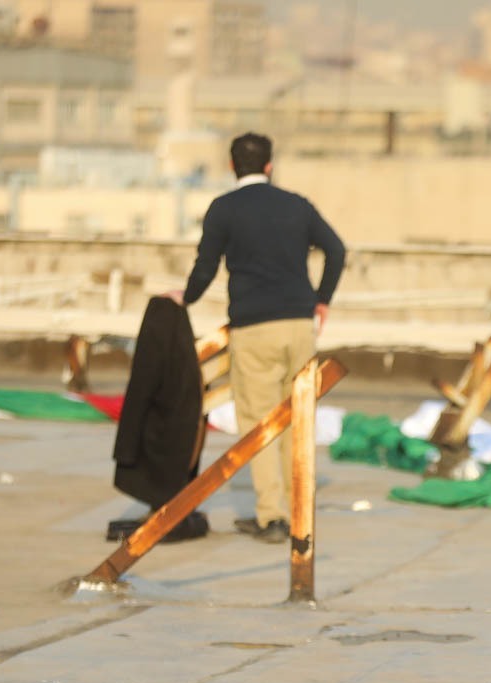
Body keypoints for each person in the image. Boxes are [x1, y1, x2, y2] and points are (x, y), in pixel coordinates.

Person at [169, 132, 346, 544]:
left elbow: (205, 267)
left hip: (254, 328)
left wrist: (185, 298)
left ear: (233, 166)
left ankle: (272, 517)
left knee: (260, 422)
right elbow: (336, 251)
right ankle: (300, 512)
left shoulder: (224, 209)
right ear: (269, 165)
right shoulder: (297, 205)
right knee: (297, 418)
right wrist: (322, 300)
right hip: (299, 325)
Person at [109, 296, 209, 543]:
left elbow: (142, 385)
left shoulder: (160, 321)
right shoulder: (184, 359)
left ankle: (162, 509)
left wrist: (125, 448)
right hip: (179, 440)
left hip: (162, 440)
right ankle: (162, 507)